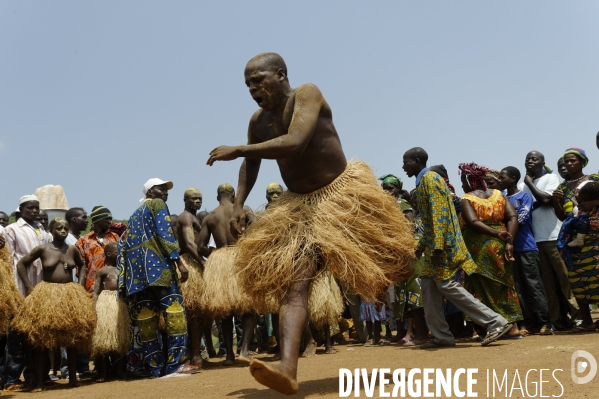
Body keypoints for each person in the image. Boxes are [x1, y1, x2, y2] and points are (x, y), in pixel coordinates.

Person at [207, 52, 415, 394]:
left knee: (398, 264)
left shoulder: (307, 94)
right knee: (296, 285)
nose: (252, 88)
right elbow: (253, 162)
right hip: (300, 209)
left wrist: (241, 149)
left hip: (342, 195)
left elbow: (296, 142)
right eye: (247, 84)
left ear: (280, 75)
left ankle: (407, 264)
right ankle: (288, 367)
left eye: (258, 80)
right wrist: (240, 203)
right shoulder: (258, 122)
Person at [402, 147, 512, 350]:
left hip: (445, 246)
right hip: (436, 244)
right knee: (428, 284)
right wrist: (422, 247)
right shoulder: (424, 181)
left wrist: (436, 247)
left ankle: (496, 322)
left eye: (406, 162)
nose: (403, 167)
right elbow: (428, 219)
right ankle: (441, 335)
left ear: (416, 161)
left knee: (446, 285)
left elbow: (439, 214)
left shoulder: (430, 179)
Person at [118, 178, 195, 377]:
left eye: (166, 189)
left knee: (147, 323)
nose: (165, 192)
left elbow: (124, 247)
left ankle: (155, 368)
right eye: (161, 189)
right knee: (175, 314)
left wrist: (127, 281)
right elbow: (165, 233)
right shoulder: (158, 205)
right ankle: (174, 366)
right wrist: (179, 262)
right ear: (150, 192)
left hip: (138, 278)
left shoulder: (134, 215)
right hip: (159, 270)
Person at [12, 217, 95, 392]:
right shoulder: (43, 249)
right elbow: (21, 264)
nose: (63, 231)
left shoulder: (72, 249)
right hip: (47, 295)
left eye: (65, 228)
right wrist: (29, 287)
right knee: (43, 340)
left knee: (72, 338)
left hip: (69, 295)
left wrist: (80, 285)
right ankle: (40, 383)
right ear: (52, 230)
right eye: (59, 228)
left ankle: (72, 378)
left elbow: (82, 265)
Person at [458, 162, 522, 338]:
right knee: (505, 285)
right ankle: (514, 326)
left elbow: (473, 222)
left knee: (480, 287)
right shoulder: (499, 195)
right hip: (500, 245)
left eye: (463, 181)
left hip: (479, 248)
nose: (462, 185)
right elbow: (512, 216)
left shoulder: (467, 198)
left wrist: (494, 233)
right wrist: (509, 240)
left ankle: (490, 326)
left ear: (470, 181)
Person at [519, 151, 580, 330]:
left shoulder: (550, 178)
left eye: (534, 159)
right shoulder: (522, 186)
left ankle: (578, 318)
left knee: (564, 280)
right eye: (527, 158)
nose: (530, 161)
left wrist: (530, 183)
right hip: (534, 241)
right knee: (547, 285)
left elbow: (546, 199)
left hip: (553, 236)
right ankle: (556, 321)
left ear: (543, 162)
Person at [198, 183, 256, 366]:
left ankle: (229, 356)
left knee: (225, 311)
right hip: (240, 258)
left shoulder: (210, 217)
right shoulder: (244, 210)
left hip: (220, 262)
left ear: (217, 197)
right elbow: (258, 230)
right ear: (233, 196)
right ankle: (245, 350)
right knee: (249, 307)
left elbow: (200, 247)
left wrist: (214, 254)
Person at [3, 195, 50, 391]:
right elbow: (7, 258)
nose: (34, 211)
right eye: (30, 208)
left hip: (40, 287)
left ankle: (37, 375)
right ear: (20, 209)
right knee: (16, 336)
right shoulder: (11, 230)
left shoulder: (43, 232)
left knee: (37, 336)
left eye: (36, 208)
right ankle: (12, 378)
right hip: (19, 288)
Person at [499, 166, 553, 335]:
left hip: (526, 247)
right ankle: (527, 323)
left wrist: (506, 224)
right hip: (510, 250)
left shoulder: (525, 197)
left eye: (503, 177)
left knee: (534, 286)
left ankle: (546, 322)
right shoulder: (501, 198)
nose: (500, 181)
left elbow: (520, 219)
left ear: (513, 178)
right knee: (517, 288)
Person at [553, 148, 599, 333]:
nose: (569, 164)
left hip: (595, 236)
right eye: (566, 161)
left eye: (573, 160)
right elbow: (562, 217)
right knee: (577, 279)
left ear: (582, 162)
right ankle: (587, 321)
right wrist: (556, 202)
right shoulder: (562, 188)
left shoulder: (594, 179)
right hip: (573, 239)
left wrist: (594, 203)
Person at [379, 174, 428, 346]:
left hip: (409, 252)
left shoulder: (402, 204)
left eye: (390, 188)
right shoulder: (385, 207)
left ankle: (421, 334)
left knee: (415, 293)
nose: (386, 191)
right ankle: (404, 332)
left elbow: (410, 228)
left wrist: (404, 247)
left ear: (398, 189)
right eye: (384, 188)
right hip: (398, 254)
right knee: (401, 296)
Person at [176, 188, 210, 368]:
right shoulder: (186, 218)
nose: (197, 201)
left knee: (196, 313)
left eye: (199, 198)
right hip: (190, 263)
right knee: (193, 311)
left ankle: (195, 355)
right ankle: (195, 356)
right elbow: (189, 244)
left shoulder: (194, 218)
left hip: (194, 261)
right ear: (185, 200)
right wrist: (202, 263)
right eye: (193, 198)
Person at [91, 243, 130, 383]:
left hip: (119, 303)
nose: (119, 253)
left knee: (119, 337)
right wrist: (95, 307)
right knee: (104, 339)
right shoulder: (102, 271)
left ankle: (119, 370)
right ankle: (103, 372)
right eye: (116, 252)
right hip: (105, 303)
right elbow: (95, 292)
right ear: (108, 254)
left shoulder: (123, 269)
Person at [76, 206, 120, 295]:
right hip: (91, 289)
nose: (110, 222)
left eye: (110, 219)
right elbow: (81, 267)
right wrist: (80, 290)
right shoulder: (83, 241)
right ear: (98, 220)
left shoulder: (115, 237)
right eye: (107, 218)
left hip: (112, 290)